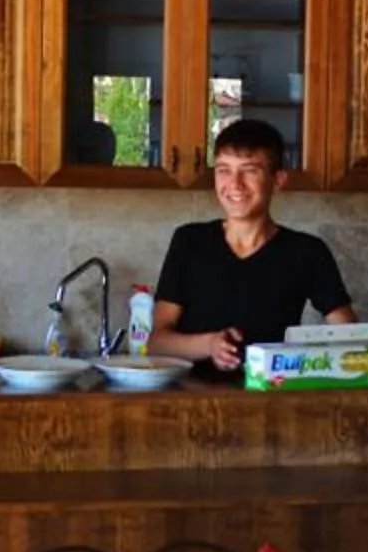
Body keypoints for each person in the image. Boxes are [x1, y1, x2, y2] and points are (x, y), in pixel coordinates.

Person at [149, 118, 355, 371]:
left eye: (249, 171)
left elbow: (351, 336)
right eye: (224, 170)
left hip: (271, 391)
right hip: (189, 392)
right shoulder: (189, 241)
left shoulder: (307, 252)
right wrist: (210, 344)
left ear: (277, 180)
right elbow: (157, 343)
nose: (234, 183)